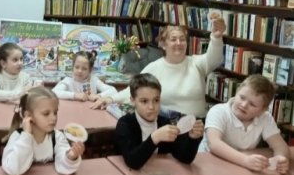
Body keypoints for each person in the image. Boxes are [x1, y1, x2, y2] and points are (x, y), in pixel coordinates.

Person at [92, 19, 226, 118]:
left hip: (196, 127)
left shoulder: (197, 63)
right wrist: (110, 99)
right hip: (166, 125)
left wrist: (216, 37)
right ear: (163, 44)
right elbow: (132, 91)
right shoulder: (154, 67)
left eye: (182, 39)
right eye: (173, 39)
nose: (178, 43)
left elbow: (214, 58)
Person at [202, 74, 290, 173]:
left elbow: (280, 145)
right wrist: (245, 160)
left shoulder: (265, 117)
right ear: (237, 92)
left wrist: (281, 158)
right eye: (242, 97)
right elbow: (214, 144)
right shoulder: (218, 111)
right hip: (210, 163)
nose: (244, 105)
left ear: (262, 110)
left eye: (252, 104)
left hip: (239, 167)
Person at [116, 74, 203, 170]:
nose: (151, 107)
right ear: (133, 101)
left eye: (156, 100)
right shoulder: (125, 124)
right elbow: (132, 162)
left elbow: (185, 158)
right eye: (144, 101)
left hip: (158, 174)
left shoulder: (165, 123)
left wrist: (192, 138)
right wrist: (155, 137)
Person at [1, 86, 85, 175]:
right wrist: (27, 136)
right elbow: (14, 169)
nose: (54, 118)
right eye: (46, 114)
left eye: (55, 112)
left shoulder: (57, 137)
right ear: (28, 115)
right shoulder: (18, 137)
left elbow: (63, 165)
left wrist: (70, 156)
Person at [52, 50, 117, 101]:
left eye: (84, 69)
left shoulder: (94, 80)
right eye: (77, 67)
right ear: (72, 67)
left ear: (90, 70)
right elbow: (54, 93)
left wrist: (99, 96)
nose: (79, 71)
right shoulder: (68, 81)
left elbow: (113, 90)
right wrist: (74, 95)